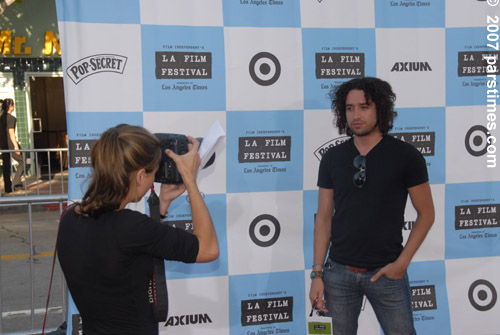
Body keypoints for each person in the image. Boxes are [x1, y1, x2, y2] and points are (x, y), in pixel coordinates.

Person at [57, 124, 219, 334]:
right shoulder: (130, 227)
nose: (155, 178)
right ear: (140, 176)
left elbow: (125, 257)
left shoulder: (70, 217)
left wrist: (162, 206)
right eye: (154, 172)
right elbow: (208, 249)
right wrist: (189, 180)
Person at [309, 77, 434, 335]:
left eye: (364, 106)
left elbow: (426, 214)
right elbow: (323, 218)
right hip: (338, 274)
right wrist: (317, 274)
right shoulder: (332, 158)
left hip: (387, 274)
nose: (356, 114)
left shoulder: (406, 156)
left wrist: (402, 263)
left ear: (381, 109)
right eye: (349, 108)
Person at [0, 98, 25, 194]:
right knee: (22, 160)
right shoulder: (11, 119)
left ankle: (8, 187)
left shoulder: (1, 118)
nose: (14, 106)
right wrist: (16, 146)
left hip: (3, 144)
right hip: (10, 143)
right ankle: (16, 182)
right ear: (10, 106)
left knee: (6, 165)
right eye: (13, 104)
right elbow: (11, 132)